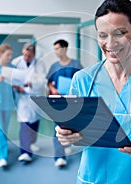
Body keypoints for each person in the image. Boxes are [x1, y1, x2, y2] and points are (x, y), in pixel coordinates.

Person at [55, 0, 131, 183]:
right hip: (93, 179)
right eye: (102, 35)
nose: (110, 44)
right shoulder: (82, 80)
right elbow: (74, 133)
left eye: (120, 33)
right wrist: (65, 137)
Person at [46, 39, 83, 168]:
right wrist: (53, 89)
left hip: (72, 101)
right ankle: (59, 157)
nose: (56, 51)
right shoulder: (54, 66)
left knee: (72, 127)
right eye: (54, 49)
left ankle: (67, 145)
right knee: (58, 127)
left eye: (57, 48)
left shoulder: (76, 64)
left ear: (64, 48)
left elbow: (82, 81)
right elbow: (49, 81)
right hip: (58, 101)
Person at [12, 42, 47, 163]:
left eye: (29, 56)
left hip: (35, 97)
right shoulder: (17, 62)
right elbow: (12, 78)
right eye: (25, 55)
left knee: (34, 123)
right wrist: (17, 87)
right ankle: (25, 153)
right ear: (22, 52)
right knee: (25, 125)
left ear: (34, 54)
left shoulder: (39, 63)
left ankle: (31, 143)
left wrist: (30, 85)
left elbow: (42, 81)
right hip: (23, 99)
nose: (26, 58)